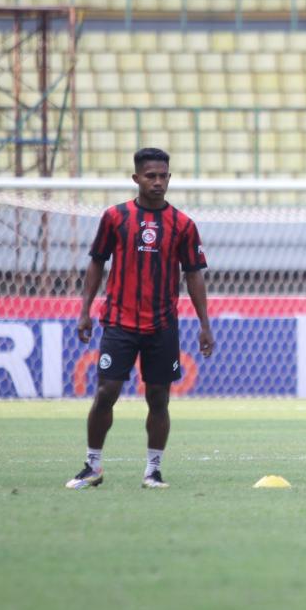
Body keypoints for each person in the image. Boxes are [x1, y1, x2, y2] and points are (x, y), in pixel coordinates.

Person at [66, 147, 215, 490]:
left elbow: (194, 274)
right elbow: (96, 262)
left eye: (163, 176)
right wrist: (85, 311)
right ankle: (92, 465)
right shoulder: (115, 218)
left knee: (159, 398)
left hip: (162, 325)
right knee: (106, 391)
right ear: (136, 178)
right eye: (151, 176)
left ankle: (153, 470)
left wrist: (204, 324)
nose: (158, 182)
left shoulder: (183, 225)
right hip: (119, 321)